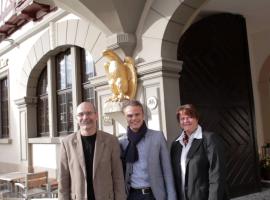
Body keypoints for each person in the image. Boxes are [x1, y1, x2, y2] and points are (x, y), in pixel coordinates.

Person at [59, 102, 126, 200]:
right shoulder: (67, 143)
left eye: (89, 113)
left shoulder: (111, 141)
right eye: (81, 114)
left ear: (96, 116)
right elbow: (63, 178)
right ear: (76, 119)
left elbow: (118, 176)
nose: (85, 117)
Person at [119, 100, 177, 200]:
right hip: (131, 195)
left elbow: (167, 171)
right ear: (125, 117)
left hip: (154, 195)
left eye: (137, 114)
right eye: (130, 115)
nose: (134, 118)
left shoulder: (157, 137)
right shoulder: (121, 141)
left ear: (143, 115)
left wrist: (172, 197)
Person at [170, 104, 229, 200]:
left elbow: (217, 174)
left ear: (197, 118)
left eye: (189, 117)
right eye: (182, 118)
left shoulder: (209, 139)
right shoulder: (176, 144)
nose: (185, 121)